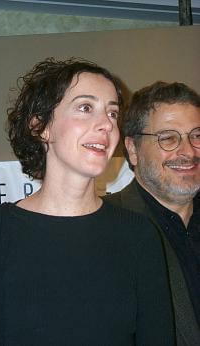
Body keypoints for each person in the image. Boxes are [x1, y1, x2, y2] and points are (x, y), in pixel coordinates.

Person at [0, 58, 174, 345]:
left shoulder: (138, 236)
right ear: (41, 126)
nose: (106, 124)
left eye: (113, 113)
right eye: (85, 107)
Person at [105, 81, 200, 345]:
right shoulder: (103, 227)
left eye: (197, 135)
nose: (189, 152)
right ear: (133, 150)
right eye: (168, 138)